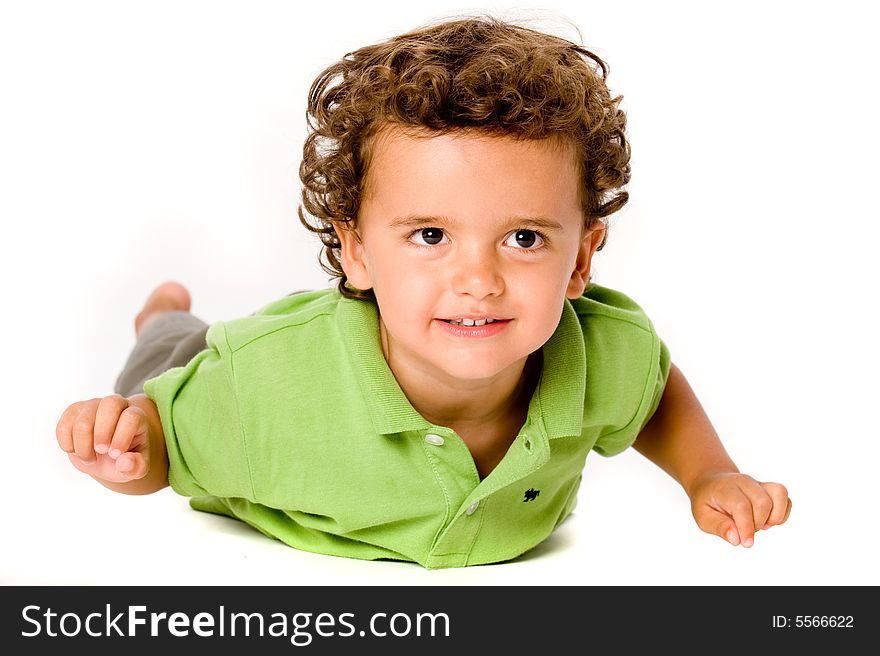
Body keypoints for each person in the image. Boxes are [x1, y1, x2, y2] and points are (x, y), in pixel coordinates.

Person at [55, 16, 791, 569]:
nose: (477, 281)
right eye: (431, 236)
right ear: (355, 251)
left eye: (524, 238)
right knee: (165, 356)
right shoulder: (257, 391)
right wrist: (125, 453)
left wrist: (710, 473)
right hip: (228, 372)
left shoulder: (604, 351)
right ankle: (164, 312)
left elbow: (652, 394)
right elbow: (156, 454)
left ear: (581, 259)